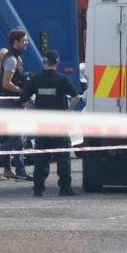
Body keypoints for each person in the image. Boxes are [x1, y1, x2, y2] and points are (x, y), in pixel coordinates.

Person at [18, 49, 80, 196]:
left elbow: (23, 99)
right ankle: (65, 189)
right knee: (63, 158)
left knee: (40, 159)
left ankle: (38, 189)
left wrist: (34, 110)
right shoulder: (62, 79)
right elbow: (76, 96)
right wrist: (69, 111)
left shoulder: (35, 80)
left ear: (44, 62)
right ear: (57, 62)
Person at [0, 29, 31, 181]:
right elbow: (6, 83)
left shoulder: (17, 58)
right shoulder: (11, 60)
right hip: (11, 103)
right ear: (15, 42)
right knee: (17, 138)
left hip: (16, 102)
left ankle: (21, 172)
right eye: (24, 40)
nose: (26, 43)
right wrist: (23, 91)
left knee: (21, 138)